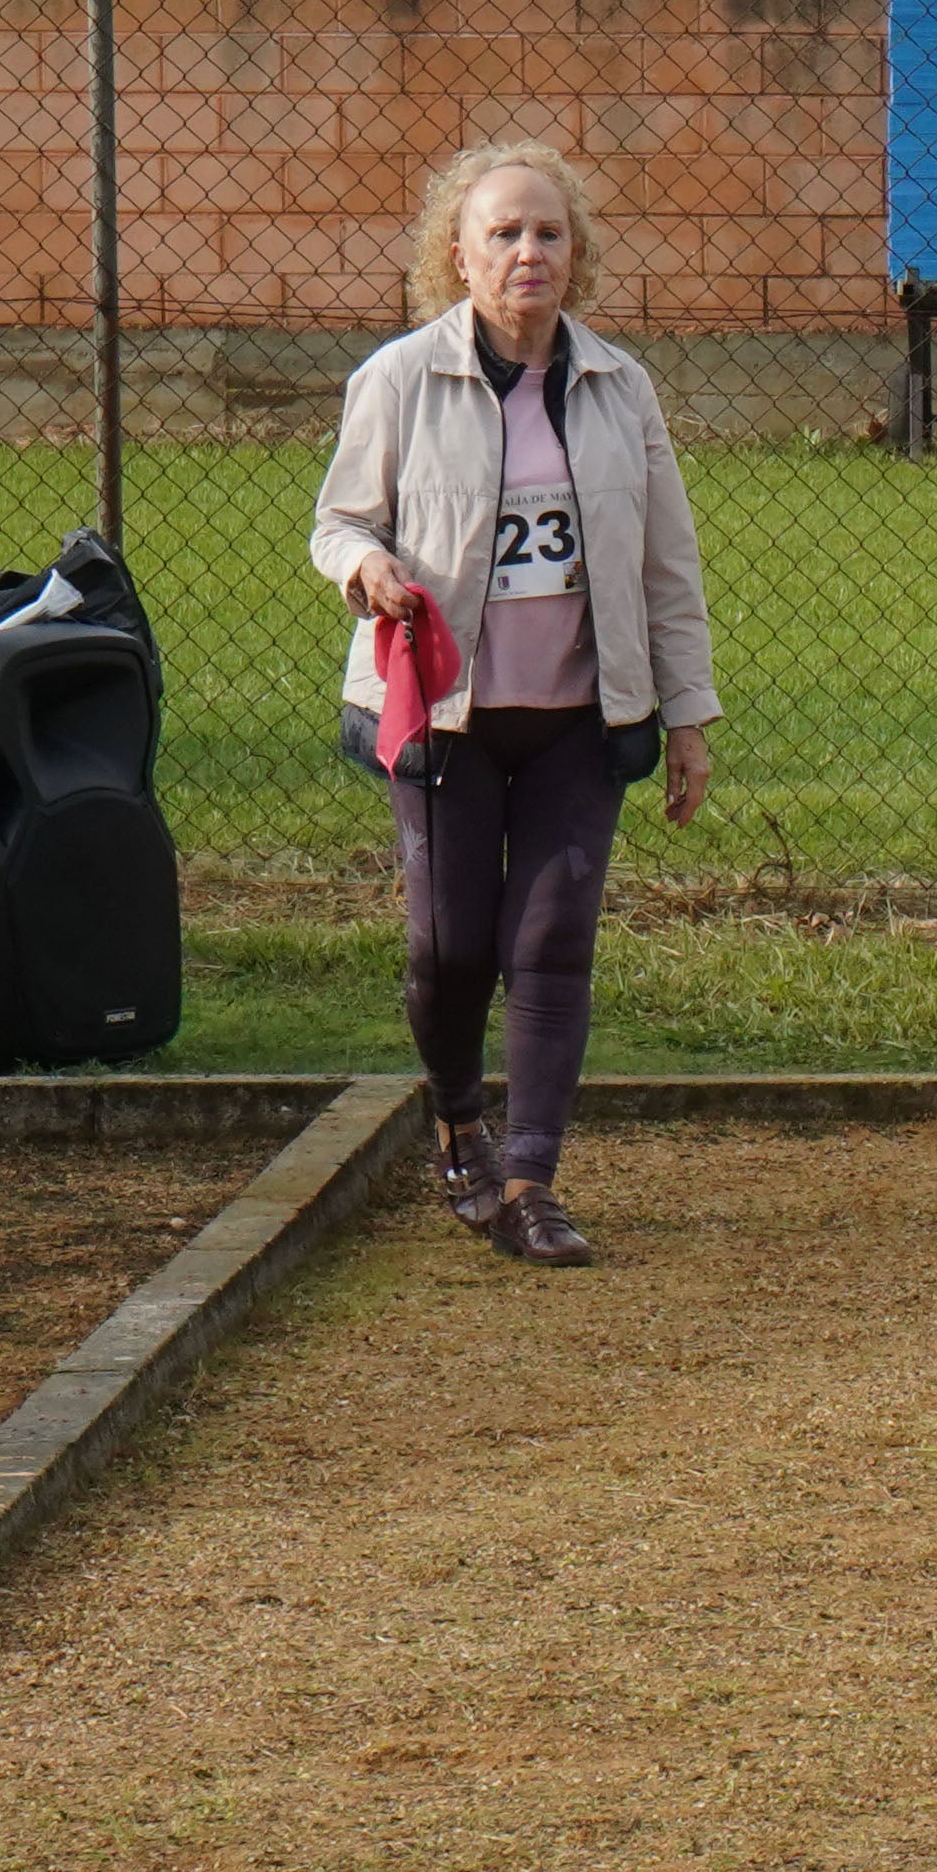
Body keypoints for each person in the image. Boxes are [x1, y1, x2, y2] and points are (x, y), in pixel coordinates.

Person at [313, 139, 718, 1271]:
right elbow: (339, 522)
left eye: (548, 233)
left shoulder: (617, 386)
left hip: (580, 719)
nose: (527, 252)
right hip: (441, 717)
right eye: (503, 234)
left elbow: (666, 566)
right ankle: (458, 1126)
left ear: (575, 255)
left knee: (550, 939)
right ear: (460, 256)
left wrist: (685, 714)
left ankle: (533, 1179)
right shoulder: (398, 379)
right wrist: (367, 573)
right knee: (449, 948)